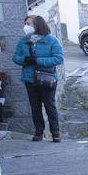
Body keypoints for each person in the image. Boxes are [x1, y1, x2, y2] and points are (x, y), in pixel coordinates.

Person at [12, 14, 64, 142]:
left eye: (29, 24)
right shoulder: (24, 41)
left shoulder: (51, 41)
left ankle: (55, 133)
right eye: (25, 23)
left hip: (47, 79)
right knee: (35, 106)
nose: (26, 26)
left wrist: (38, 60)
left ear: (37, 25)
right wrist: (25, 60)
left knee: (49, 105)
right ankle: (38, 132)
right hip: (30, 79)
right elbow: (16, 58)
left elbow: (58, 58)